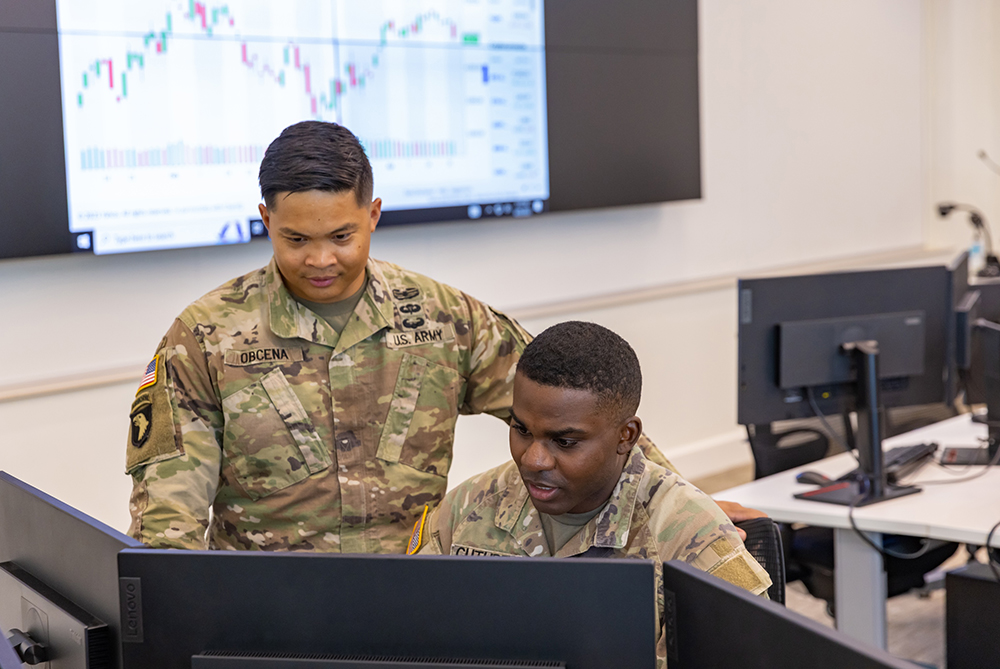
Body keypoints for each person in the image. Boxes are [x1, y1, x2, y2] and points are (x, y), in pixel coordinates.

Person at [125, 120, 762, 552]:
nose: (321, 259)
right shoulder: (205, 337)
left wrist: (688, 510)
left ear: (373, 215)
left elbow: (587, 417)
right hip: (264, 617)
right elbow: (168, 518)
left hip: (417, 604)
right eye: (296, 239)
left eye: (342, 236)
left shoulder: (439, 319)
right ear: (265, 219)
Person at [413, 321, 770, 668]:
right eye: (520, 429)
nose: (533, 459)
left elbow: (748, 654)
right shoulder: (466, 508)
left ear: (626, 436)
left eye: (564, 441)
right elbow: (410, 642)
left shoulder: (690, 536)